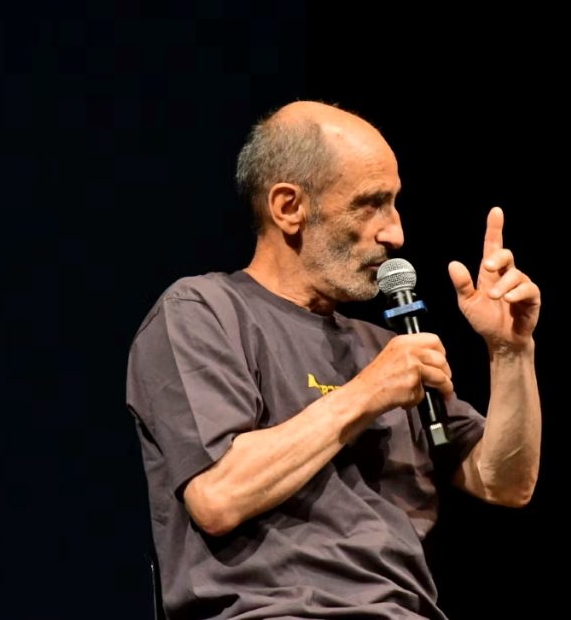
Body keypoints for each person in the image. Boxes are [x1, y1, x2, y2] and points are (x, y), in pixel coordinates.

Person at [126, 101, 541, 619]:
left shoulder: (382, 347)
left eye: (394, 204)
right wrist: (366, 394)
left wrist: (510, 353)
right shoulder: (202, 312)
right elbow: (219, 496)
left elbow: (505, 481)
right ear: (288, 207)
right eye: (371, 205)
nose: (395, 234)